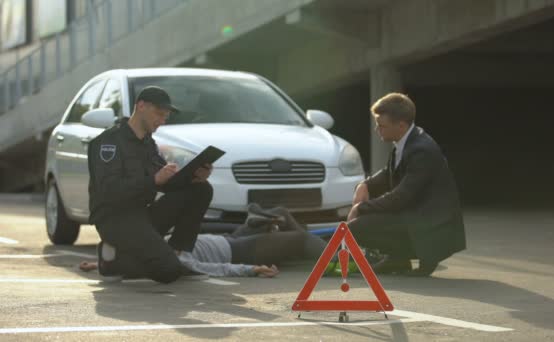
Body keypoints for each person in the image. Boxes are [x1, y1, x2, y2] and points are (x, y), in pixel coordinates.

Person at [87, 86, 214, 284]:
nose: (162, 121)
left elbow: (166, 184)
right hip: (115, 220)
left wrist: (193, 176)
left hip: (141, 216)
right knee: (169, 271)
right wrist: (153, 180)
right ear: (141, 106)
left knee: (200, 190)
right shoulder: (108, 143)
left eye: (166, 116)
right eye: (159, 114)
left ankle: (180, 254)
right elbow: (109, 191)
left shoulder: (148, 144)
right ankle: (114, 263)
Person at [347, 92, 466, 277]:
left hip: (432, 227)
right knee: (362, 222)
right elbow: (389, 172)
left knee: (356, 227)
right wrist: (365, 185)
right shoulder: (407, 141)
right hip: (415, 216)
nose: (377, 130)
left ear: (401, 125)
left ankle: (413, 255)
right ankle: (398, 258)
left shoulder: (422, 150)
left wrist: (362, 208)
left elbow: (401, 197)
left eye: (381, 126)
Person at [79, 206, 329, 278]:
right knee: (300, 238)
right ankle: (346, 260)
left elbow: (123, 255)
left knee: (281, 213)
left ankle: (316, 256)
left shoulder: (145, 246)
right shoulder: (171, 261)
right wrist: (251, 270)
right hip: (236, 251)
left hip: (229, 238)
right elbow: (210, 269)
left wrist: (95, 263)